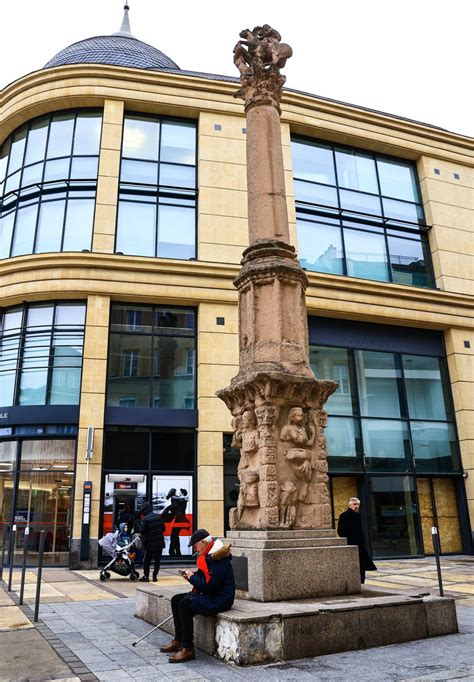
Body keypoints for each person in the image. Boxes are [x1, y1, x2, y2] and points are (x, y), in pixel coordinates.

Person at [160, 528, 236, 663]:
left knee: (185, 604)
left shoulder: (218, 558)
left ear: (203, 542)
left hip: (220, 598)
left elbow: (211, 585)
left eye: (195, 546)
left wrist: (192, 578)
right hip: (211, 594)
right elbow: (205, 578)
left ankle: (187, 648)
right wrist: (193, 575)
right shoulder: (208, 555)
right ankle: (179, 640)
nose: (195, 549)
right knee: (176, 599)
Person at [337, 497, 377, 584]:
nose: (356, 506)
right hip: (352, 545)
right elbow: (340, 532)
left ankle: (361, 582)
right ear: (349, 505)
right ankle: (357, 582)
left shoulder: (358, 515)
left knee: (361, 566)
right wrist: (350, 540)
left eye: (358, 504)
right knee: (356, 566)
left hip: (360, 546)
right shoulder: (344, 515)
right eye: (354, 504)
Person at [139, 503, 165, 583]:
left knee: (147, 560)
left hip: (150, 544)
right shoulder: (158, 517)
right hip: (159, 543)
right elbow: (163, 528)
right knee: (157, 561)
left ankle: (146, 576)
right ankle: (155, 576)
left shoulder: (145, 519)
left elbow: (142, 531)